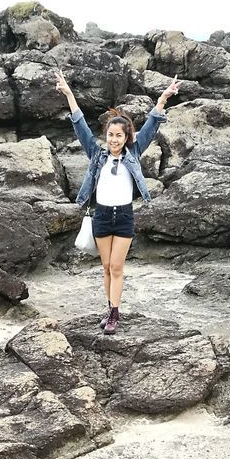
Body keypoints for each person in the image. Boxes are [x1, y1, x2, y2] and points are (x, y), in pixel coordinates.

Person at [54, 68, 180, 334]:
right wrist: (69, 94)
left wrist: (163, 99)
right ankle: (109, 306)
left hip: (123, 216)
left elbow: (151, 125)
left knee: (116, 266)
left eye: (119, 136)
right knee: (106, 268)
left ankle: (114, 315)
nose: (114, 140)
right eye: (111, 135)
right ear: (107, 136)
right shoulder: (97, 154)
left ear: (126, 138)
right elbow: (80, 127)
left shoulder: (133, 152)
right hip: (101, 216)